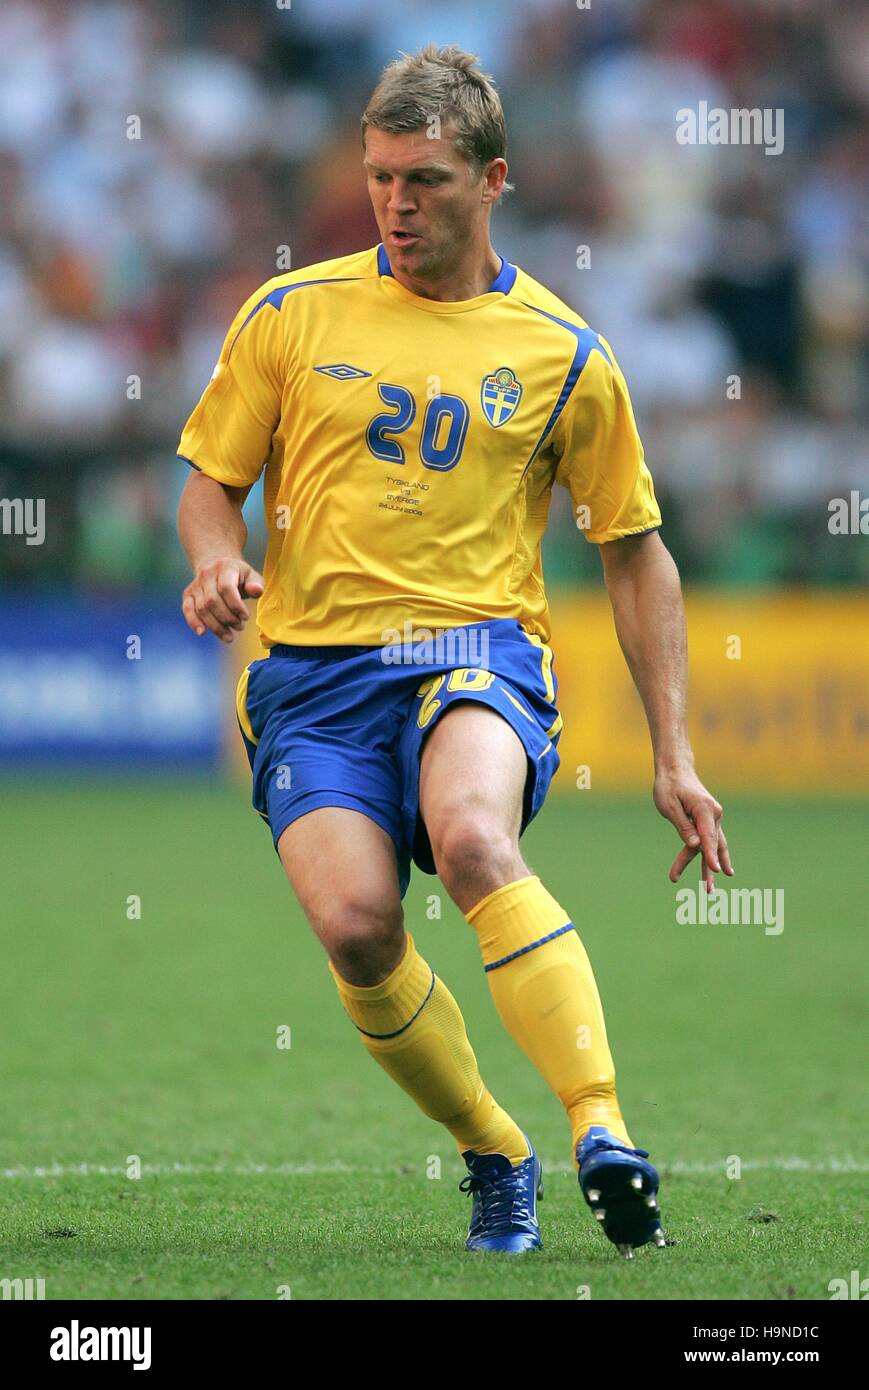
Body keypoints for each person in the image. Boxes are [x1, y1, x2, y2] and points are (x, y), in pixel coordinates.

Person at [176, 45, 733, 1257]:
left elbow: (633, 551)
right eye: (379, 177)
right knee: (359, 927)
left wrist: (674, 754)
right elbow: (210, 480)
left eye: (423, 178)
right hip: (311, 677)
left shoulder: (565, 355)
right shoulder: (289, 312)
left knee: (474, 838)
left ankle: (601, 1128)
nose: (395, 203)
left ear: (493, 180)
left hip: (475, 655)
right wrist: (213, 559)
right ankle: (496, 1149)